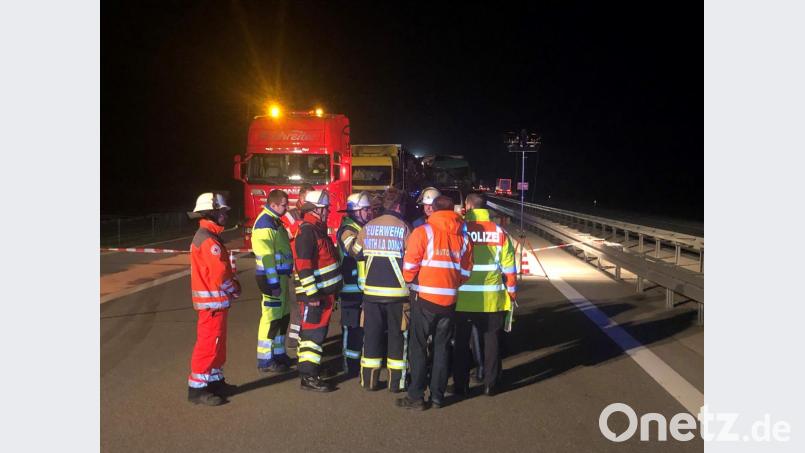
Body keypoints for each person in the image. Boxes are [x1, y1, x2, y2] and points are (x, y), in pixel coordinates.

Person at [397, 195, 473, 410]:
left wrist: (412, 282)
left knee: (418, 348)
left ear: (434, 209)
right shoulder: (463, 236)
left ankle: (416, 397)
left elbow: (410, 266)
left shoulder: (424, 232)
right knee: (441, 349)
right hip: (449, 301)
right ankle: (438, 396)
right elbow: (466, 271)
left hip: (424, 299)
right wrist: (453, 283)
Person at [453, 193, 517, 397]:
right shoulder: (499, 232)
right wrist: (512, 295)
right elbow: (509, 269)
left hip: (463, 299)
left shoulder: (461, 229)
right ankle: (491, 384)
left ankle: (460, 386)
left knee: (461, 344)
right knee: (492, 343)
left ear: (469, 206)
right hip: (492, 299)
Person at [354, 188, 412, 392]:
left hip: (371, 295)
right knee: (397, 337)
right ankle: (396, 383)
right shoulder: (404, 228)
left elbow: (356, 253)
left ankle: (369, 380)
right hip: (397, 295)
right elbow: (412, 259)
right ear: (398, 206)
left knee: (371, 336)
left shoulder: (368, 227)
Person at [186, 192, 241, 406]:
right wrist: (234, 289)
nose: (226, 215)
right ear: (212, 213)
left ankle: (215, 381)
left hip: (215, 304)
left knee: (218, 345)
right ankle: (197, 389)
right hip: (212, 304)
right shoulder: (209, 240)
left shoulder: (210, 236)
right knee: (208, 346)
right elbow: (220, 274)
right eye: (222, 212)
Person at [293, 190, 343, 392]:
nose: (328, 212)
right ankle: (308, 377)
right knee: (312, 336)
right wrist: (312, 294)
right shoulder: (308, 232)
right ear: (315, 210)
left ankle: (311, 369)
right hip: (315, 296)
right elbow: (304, 266)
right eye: (325, 209)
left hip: (323, 294)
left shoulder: (316, 229)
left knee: (316, 335)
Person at [252, 189, 294, 373]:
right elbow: (267, 257)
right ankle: (265, 360)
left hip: (280, 277)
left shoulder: (274, 221)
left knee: (282, 317)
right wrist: (274, 283)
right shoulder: (265, 223)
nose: (287, 207)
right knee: (271, 319)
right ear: (274, 204)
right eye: (284, 204)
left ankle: (278, 353)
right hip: (271, 279)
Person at [336, 192, 373, 376]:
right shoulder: (347, 230)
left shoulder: (361, 227)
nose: (369, 213)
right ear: (356, 211)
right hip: (350, 289)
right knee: (351, 328)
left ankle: (358, 360)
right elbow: (354, 251)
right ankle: (350, 365)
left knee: (361, 328)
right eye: (366, 209)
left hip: (362, 288)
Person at [282, 183, 315, 347]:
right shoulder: (291, 215)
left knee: (304, 306)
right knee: (297, 306)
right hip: (296, 267)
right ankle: (295, 340)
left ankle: (297, 338)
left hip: (306, 266)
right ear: (301, 198)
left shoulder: (309, 214)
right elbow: (289, 234)